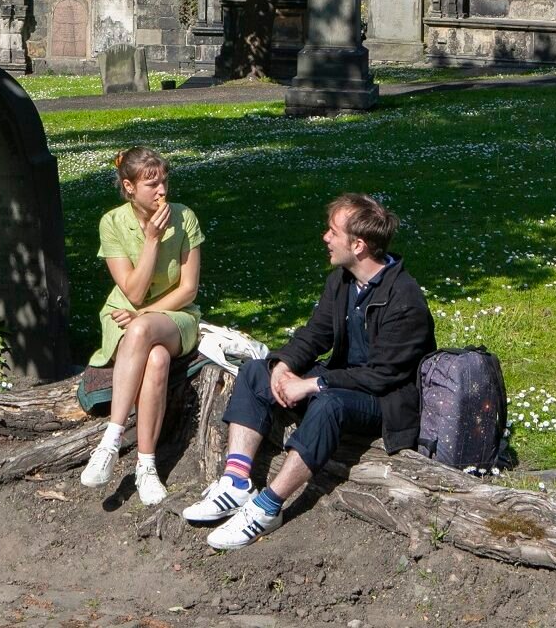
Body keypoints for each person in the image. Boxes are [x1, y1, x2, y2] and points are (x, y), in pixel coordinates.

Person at [184, 193, 433, 549]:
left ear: (359, 245)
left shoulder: (404, 299)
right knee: (256, 371)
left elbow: (382, 376)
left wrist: (312, 384)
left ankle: (267, 508)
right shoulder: (343, 281)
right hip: (343, 382)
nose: (325, 238)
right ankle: (236, 481)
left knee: (329, 403)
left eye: (333, 232)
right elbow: (316, 333)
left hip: (384, 402)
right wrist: (283, 366)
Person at [79, 146, 203, 506]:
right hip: (123, 314)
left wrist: (143, 317)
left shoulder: (185, 218)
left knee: (141, 330)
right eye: (152, 185)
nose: (162, 191)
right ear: (129, 187)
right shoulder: (112, 223)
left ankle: (110, 439)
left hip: (174, 315)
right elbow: (131, 292)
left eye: (164, 181)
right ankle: (146, 465)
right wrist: (150, 239)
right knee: (157, 361)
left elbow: (188, 288)